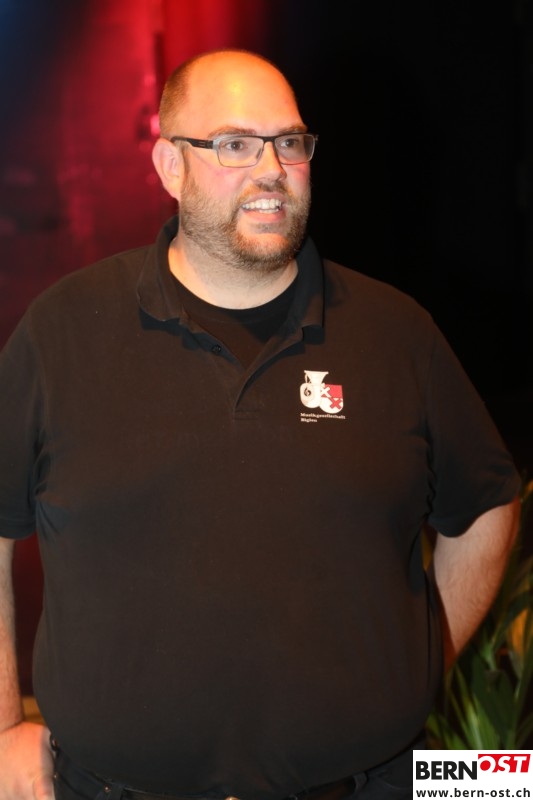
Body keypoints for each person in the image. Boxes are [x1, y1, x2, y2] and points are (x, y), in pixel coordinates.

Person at [0, 48, 521, 800]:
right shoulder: (64, 331)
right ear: (169, 166)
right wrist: (3, 727)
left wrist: (418, 661)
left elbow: (487, 503)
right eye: (235, 144)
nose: (271, 169)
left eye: (290, 142)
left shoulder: (395, 334)